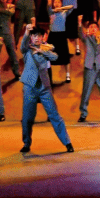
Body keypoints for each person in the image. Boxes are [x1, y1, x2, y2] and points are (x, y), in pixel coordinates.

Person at [18, 20, 73, 153]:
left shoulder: (47, 48)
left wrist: (41, 51)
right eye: (34, 36)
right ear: (31, 37)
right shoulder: (27, 49)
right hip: (30, 87)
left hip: (44, 87)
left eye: (39, 36)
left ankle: (67, 142)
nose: (37, 38)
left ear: (43, 38)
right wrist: (26, 32)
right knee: (27, 118)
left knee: (54, 115)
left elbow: (55, 57)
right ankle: (26, 143)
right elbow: (22, 46)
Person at [45, 0, 74, 84]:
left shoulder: (64, 12)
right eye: (55, 2)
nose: (56, 3)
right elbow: (48, 4)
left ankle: (68, 75)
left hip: (62, 35)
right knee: (48, 55)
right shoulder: (51, 11)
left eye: (58, 2)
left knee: (65, 56)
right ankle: (48, 75)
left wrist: (60, 9)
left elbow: (71, 6)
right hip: (52, 35)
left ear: (61, 3)